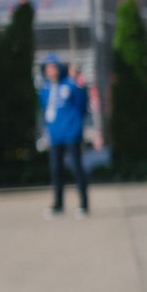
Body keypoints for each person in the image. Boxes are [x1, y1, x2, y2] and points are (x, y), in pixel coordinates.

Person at [38, 58, 90, 216]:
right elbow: (45, 110)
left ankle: (83, 204)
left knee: (76, 167)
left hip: (71, 133)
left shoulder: (70, 85)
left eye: (53, 67)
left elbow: (82, 105)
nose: (50, 71)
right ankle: (58, 204)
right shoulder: (45, 89)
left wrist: (76, 125)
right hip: (55, 135)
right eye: (48, 68)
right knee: (56, 170)